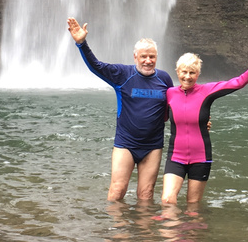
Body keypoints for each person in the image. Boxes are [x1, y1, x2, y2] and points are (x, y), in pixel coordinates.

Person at [67, 17, 173, 202]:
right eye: (143, 56)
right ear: (135, 57)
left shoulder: (164, 78)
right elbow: (96, 66)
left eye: (152, 57)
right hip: (126, 144)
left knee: (146, 195)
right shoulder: (122, 74)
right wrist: (82, 44)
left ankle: (144, 231)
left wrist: (199, 121)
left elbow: (174, 107)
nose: (148, 61)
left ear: (157, 57)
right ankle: (118, 230)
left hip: (152, 145)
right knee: (117, 191)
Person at [160, 42, 248, 205]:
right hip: (176, 156)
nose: (187, 76)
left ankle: (192, 231)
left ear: (198, 74)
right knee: (167, 200)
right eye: (184, 72)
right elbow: (160, 116)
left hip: (200, 157)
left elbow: (238, 82)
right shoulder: (170, 94)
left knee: (193, 206)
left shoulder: (207, 91)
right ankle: (171, 230)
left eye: (192, 72)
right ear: (177, 72)